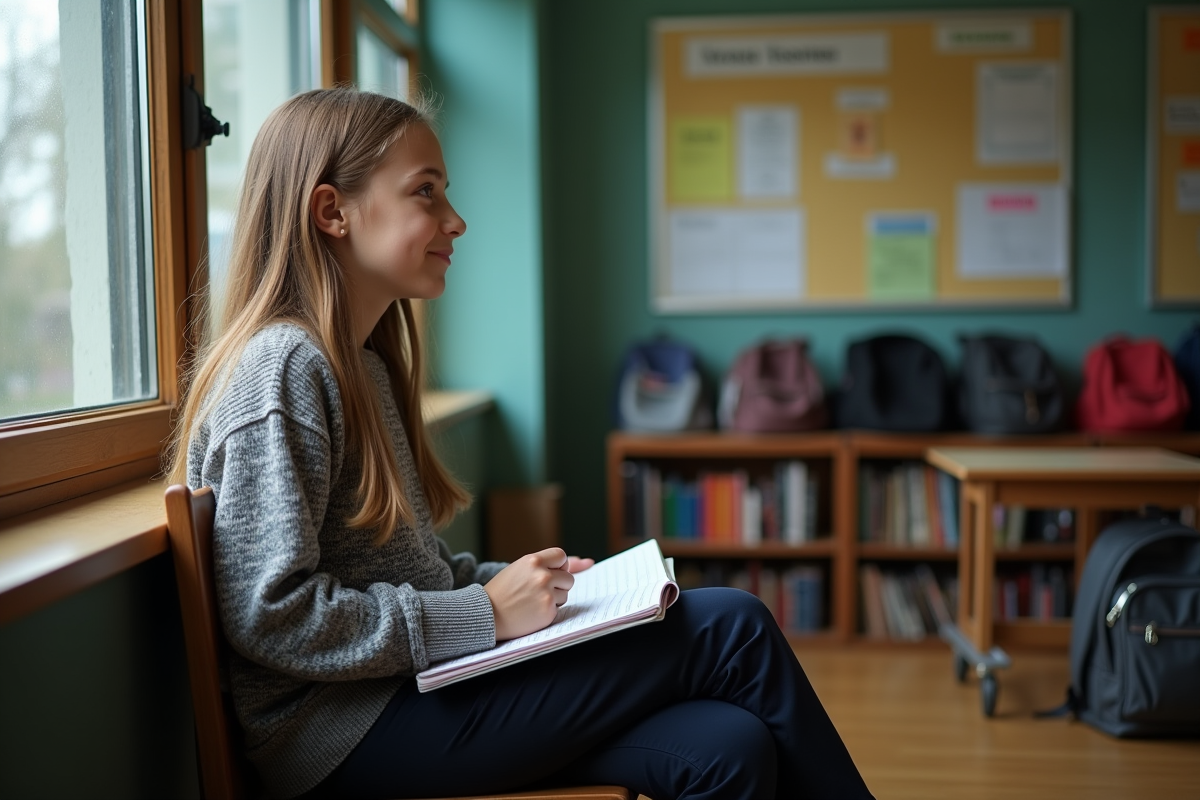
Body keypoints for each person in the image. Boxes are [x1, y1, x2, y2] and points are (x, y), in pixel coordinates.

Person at [168, 87, 874, 800]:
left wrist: (552, 593)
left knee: (728, 747)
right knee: (736, 626)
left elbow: (412, 573)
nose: (456, 221)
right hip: (343, 735)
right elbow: (273, 616)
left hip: (403, 696)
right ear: (332, 212)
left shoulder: (364, 366)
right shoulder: (282, 370)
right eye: (426, 193)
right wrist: (486, 612)